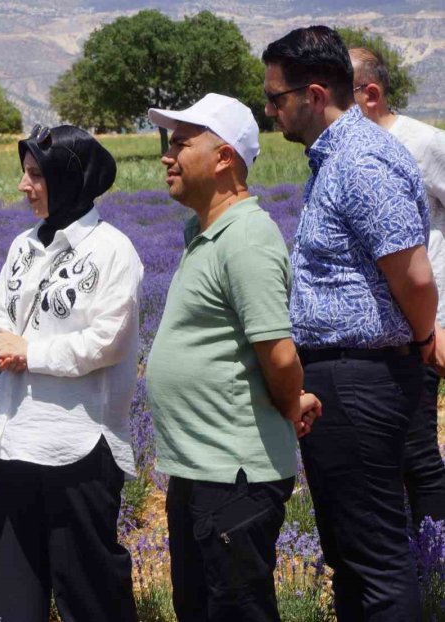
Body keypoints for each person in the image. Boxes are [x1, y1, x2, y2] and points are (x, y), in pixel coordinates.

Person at [262, 26, 436, 620]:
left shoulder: (360, 160)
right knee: (353, 554)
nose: (269, 110)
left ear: (314, 94)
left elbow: (414, 277)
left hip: (361, 375)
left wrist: (419, 340)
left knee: (377, 559)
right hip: (345, 375)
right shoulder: (335, 158)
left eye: (275, 98)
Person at [145, 93, 322, 622]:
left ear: (224, 158)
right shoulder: (200, 232)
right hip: (199, 469)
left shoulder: (246, 236)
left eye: (180, 143)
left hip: (235, 477)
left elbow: (280, 354)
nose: (166, 155)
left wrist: (291, 403)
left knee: (237, 610)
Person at [0, 125, 141, 622]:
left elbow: (107, 341)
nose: (24, 187)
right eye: (24, 174)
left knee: (89, 594)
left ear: (69, 178)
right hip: (14, 439)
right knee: (12, 594)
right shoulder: (22, 246)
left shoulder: (113, 250)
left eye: (35, 176)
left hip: (78, 445)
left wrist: (29, 352)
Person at [350, 46, 445, 530]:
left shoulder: (424, 143)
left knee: (418, 452)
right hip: (375, 332)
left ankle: (433, 571)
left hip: (426, 326)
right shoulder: (342, 150)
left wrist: (443, 320)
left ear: (371, 94)